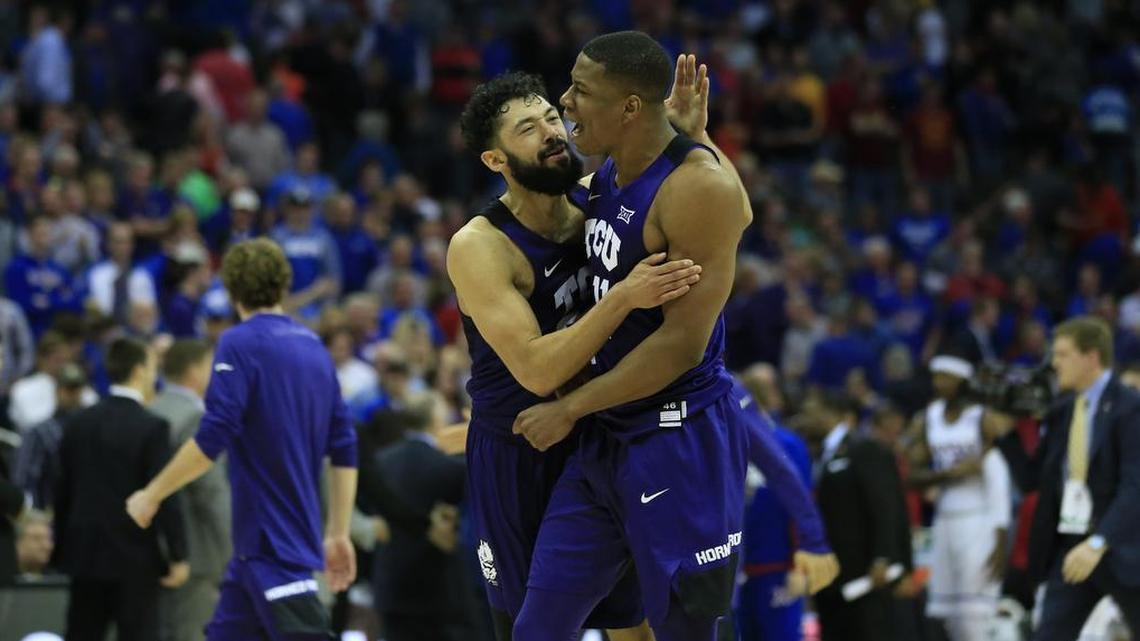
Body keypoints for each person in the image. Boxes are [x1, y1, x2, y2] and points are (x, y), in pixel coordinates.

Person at [511, 39, 836, 640]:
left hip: (678, 441)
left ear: (632, 108)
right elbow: (739, 212)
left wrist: (570, 407)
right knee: (537, 627)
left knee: (690, 632)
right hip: (608, 438)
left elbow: (680, 345)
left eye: (581, 90)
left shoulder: (693, 187)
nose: (565, 101)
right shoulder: (609, 170)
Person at [451, 69, 704, 640]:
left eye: (549, 116)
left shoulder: (597, 199)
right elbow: (538, 370)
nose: (551, 131)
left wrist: (689, 140)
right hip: (517, 446)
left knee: (629, 616)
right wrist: (623, 299)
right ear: (496, 161)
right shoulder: (481, 245)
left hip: (596, 430)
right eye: (527, 129)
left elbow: (698, 197)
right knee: (529, 626)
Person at [125, 238, 359, 640]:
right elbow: (344, 448)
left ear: (231, 291)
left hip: (272, 542)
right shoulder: (315, 348)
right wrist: (338, 532)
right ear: (284, 286)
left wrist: (152, 493)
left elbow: (214, 434)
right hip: (261, 546)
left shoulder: (238, 341)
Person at [986, 316, 1140, 638]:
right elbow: (1032, 480)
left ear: (1091, 357)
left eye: (1062, 354)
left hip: (1121, 549)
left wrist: (1099, 542)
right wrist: (1007, 435)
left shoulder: (1129, 407)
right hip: (1072, 547)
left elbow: (1135, 486)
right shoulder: (1064, 410)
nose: (1054, 364)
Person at [54, 337, 189, 641]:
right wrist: (179, 554)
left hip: (84, 556)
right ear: (140, 371)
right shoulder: (152, 426)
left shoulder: (78, 423)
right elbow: (164, 494)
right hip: (136, 558)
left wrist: (61, 549)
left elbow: (62, 491)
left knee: (82, 634)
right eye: (154, 366)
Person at [906, 354, 1012, 641]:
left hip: (979, 516)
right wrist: (950, 473)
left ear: (962, 381)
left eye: (945, 377)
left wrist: (1002, 535)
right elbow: (911, 476)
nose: (937, 383)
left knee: (974, 615)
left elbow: (996, 472)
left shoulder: (981, 417)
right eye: (935, 376)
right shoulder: (928, 418)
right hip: (944, 517)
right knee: (948, 616)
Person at [799, 390, 911, 641]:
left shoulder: (864, 449)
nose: (805, 418)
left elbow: (885, 506)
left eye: (811, 411)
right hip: (832, 576)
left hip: (865, 575)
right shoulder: (818, 454)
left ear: (835, 414)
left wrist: (883, 556)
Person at [369, 392, 471, 641]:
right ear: (436, 419)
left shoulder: (380, 461)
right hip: (436, 586)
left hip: (389, 580)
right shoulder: (451, 466)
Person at [150, 339, 232, 641]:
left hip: (153, 549)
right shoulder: (195, 418)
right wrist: (232, 549)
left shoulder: (152, 410)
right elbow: (210, 491)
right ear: (194, 371)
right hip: (196, 551)